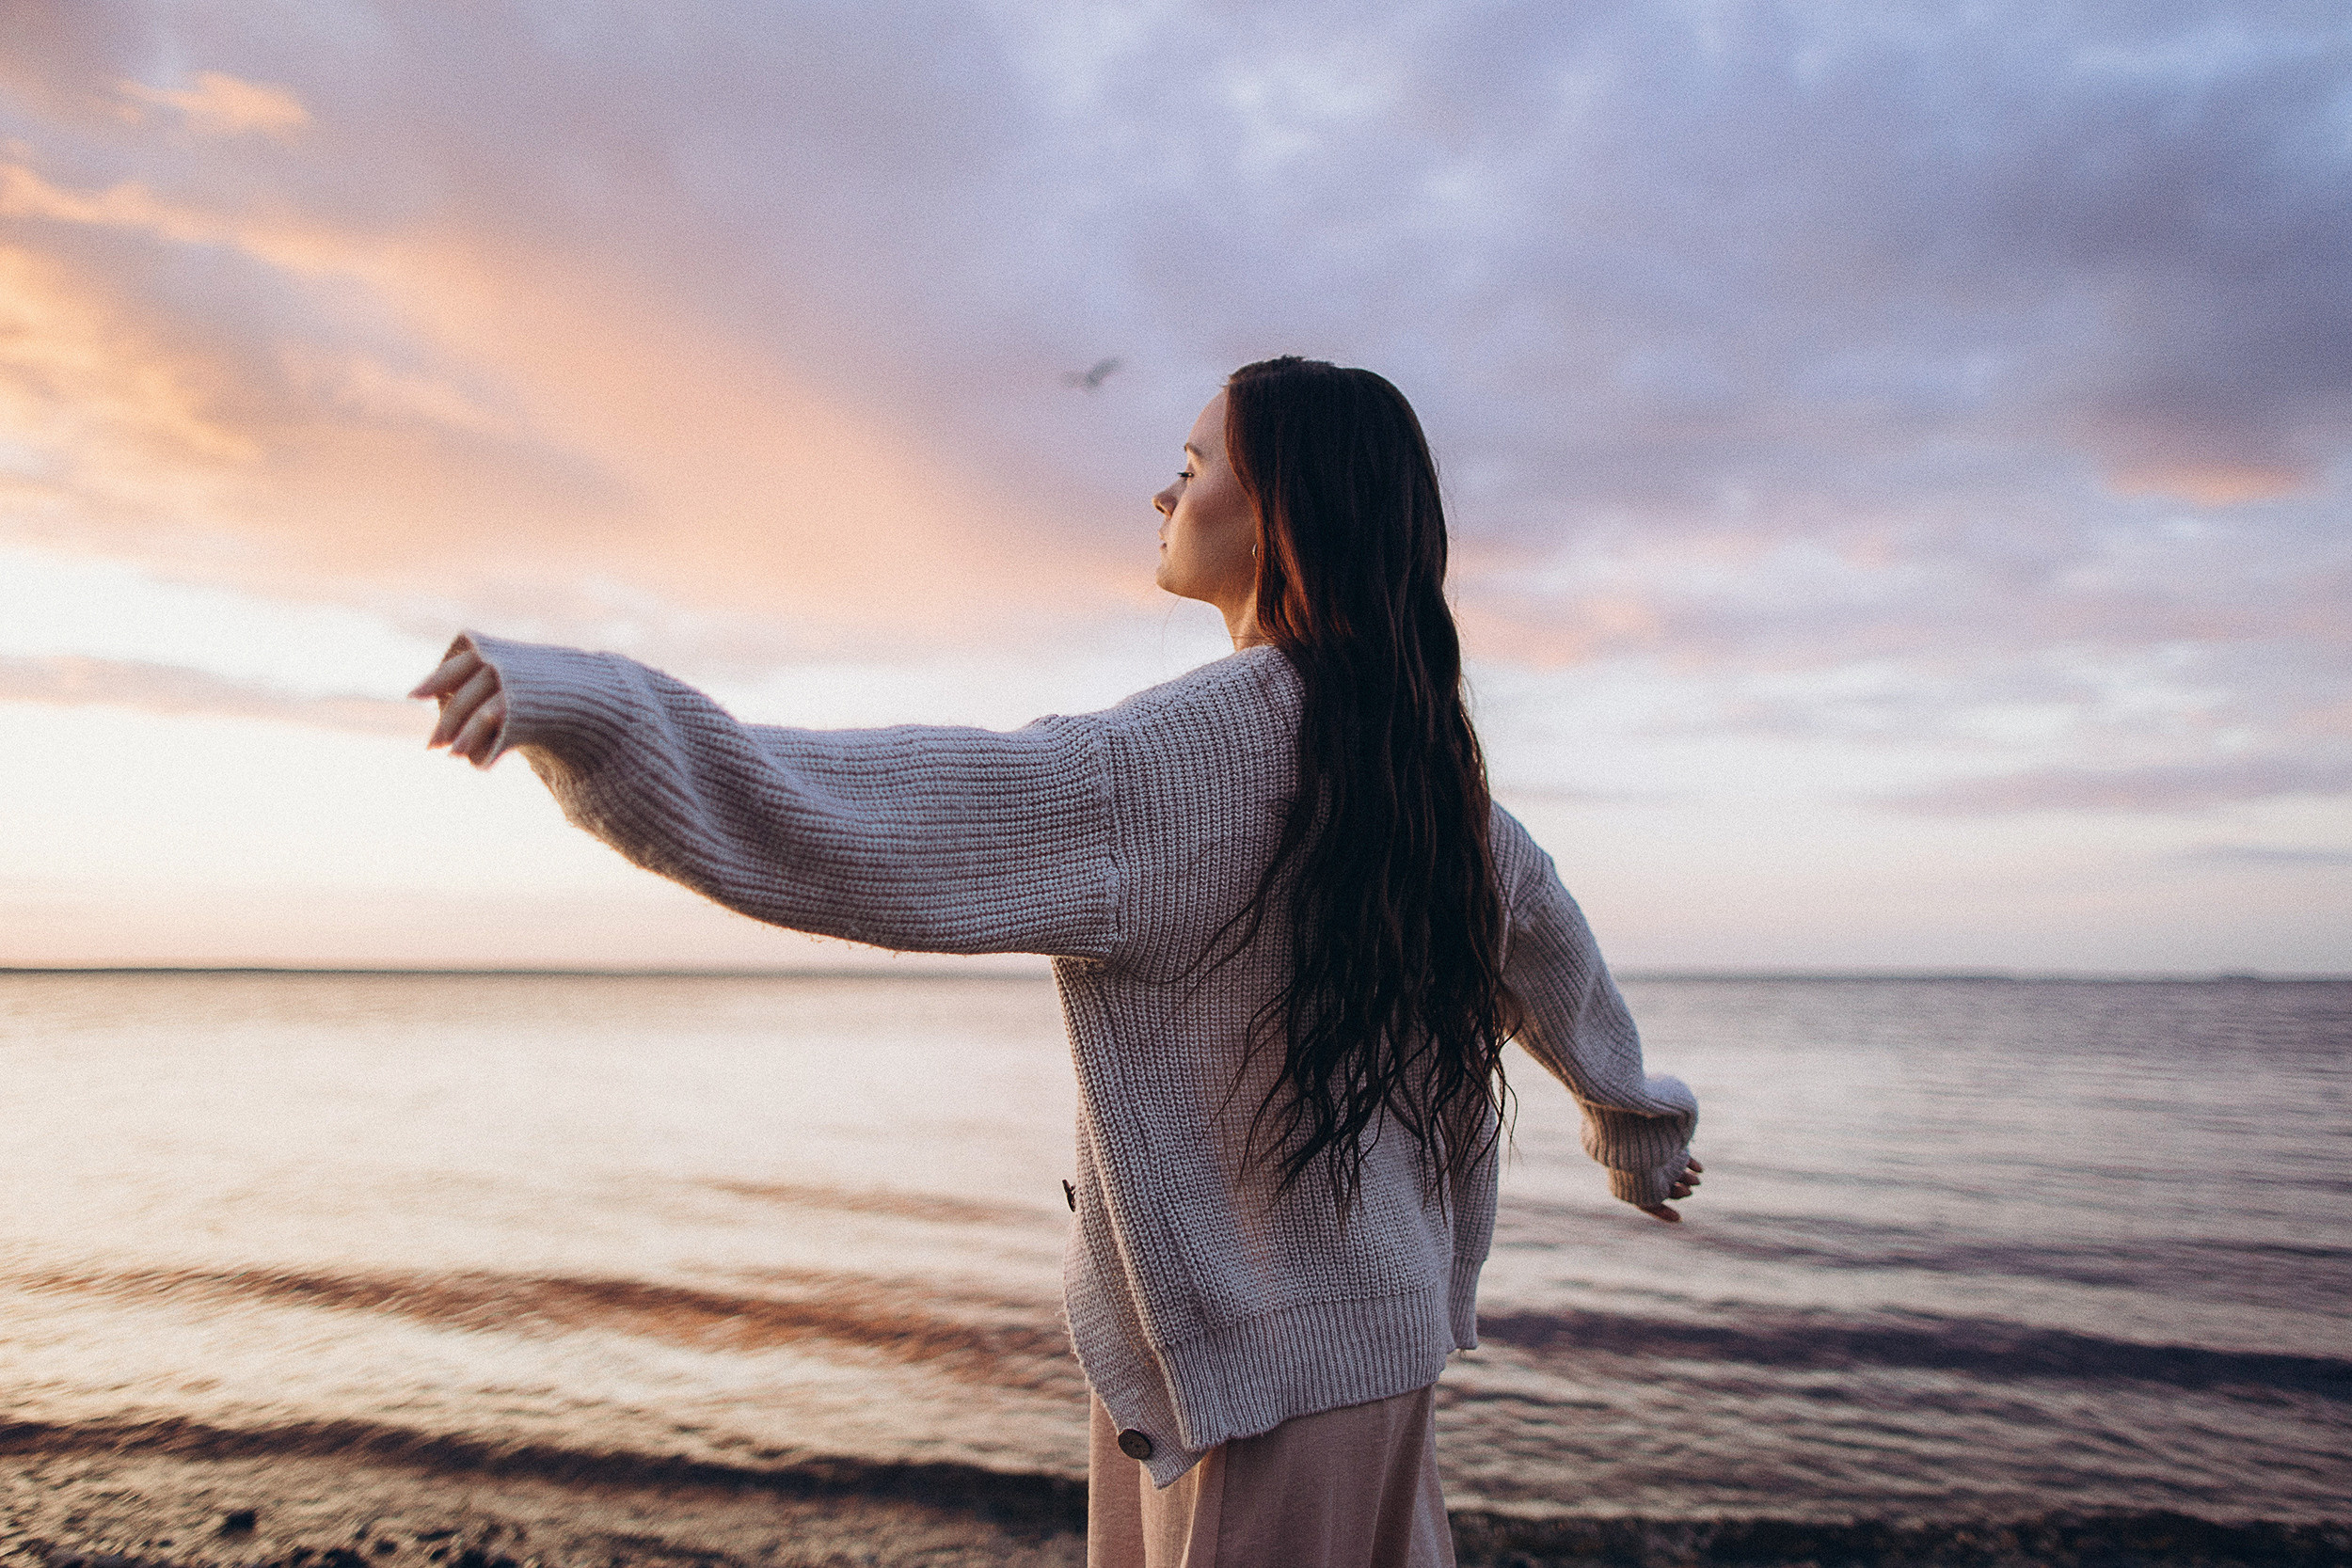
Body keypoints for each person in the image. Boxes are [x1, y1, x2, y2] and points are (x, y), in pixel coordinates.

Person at [411, 356, 1701, 1568]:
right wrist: (1634, 1127)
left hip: (1248, 1383)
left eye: (1194, 465)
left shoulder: (1187, 765)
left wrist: (601, 709)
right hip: (1378, 1350)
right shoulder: (1420, 766)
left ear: (1279, 514)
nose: (1165, 494)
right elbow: (1552, 951)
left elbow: (876, 819)